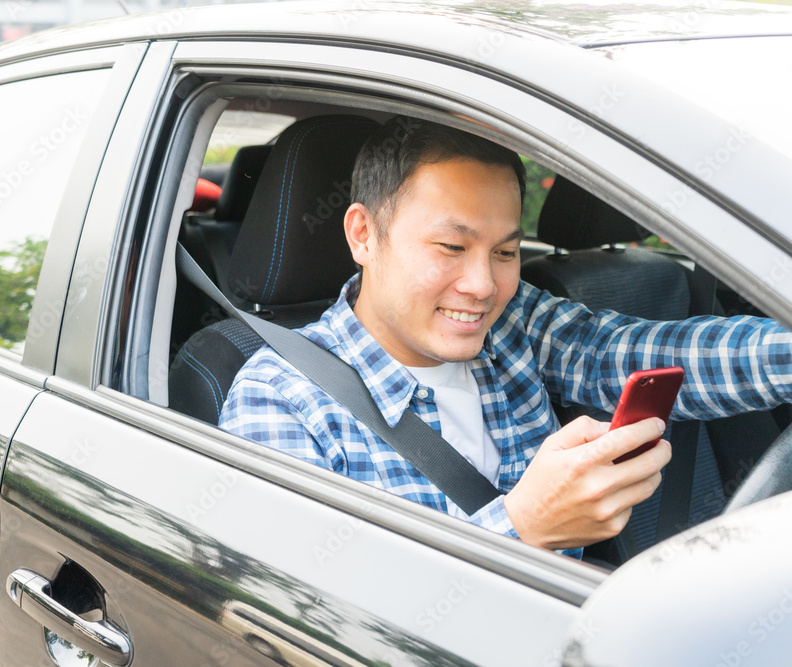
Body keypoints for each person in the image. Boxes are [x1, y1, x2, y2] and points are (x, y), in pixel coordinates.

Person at [218, 115, 792, 558]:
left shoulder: (512, 325)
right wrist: (523, 530)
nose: (483, 285)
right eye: (451, 246)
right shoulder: (280, 399)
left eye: (506, 251)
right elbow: (305, 618)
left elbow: (627, 354)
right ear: (364, 234)